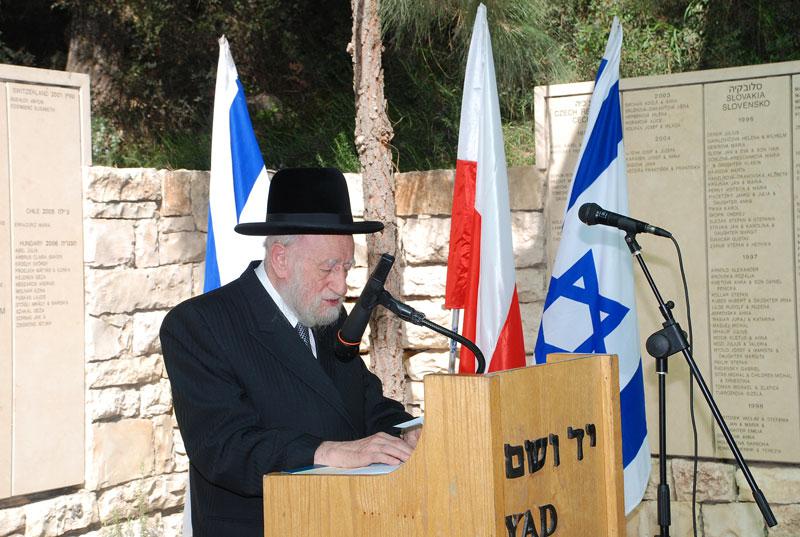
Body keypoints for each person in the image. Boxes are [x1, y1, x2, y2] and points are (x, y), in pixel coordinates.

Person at [160, 167, 420, 537]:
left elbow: (366, 403)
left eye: (346, 267)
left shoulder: (326, 316)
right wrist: (326, 452)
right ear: (281, 259)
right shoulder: (201, 325)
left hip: (344, 521)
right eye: (328, 267)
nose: (341, 284)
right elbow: (223, 447)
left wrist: (408, 430)